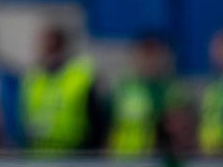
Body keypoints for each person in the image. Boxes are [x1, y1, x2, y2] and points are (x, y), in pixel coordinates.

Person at [22, 25, 108, 155]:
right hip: (38, 155)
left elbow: (97, 119)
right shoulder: (33, 79)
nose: (47, 53)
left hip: (74, 154)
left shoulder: (80, 76)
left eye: (52, 48)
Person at [108, 35, 193, 157]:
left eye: (154, 55)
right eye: (145, 54)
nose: (149, 60)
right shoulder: (124, 89)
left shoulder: (172, 91)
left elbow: (180, 133)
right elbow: (112, 129)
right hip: (125, 161)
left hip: (156, 163)